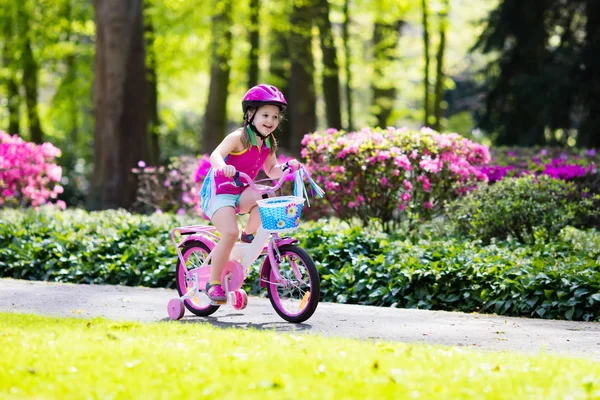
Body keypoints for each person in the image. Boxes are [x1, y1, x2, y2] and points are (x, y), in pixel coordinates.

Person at [200, 84, 301, 302]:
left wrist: (286, 168)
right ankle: (213, 282)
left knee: (266, 196)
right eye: (265, 114)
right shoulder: (238, 137)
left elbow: (271, 171)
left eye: (275, 117)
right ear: (250, 114)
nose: (271, 121)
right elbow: (215, 155)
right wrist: (222, 167)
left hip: (241, 190)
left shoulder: (268, 143)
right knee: (229, 233)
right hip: (220, 192)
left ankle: (249, 235)